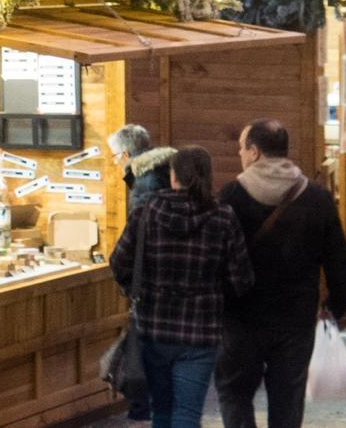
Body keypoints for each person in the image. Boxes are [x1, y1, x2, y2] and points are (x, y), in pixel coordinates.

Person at [215, 119, 346, 428]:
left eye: (241, 148)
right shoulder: (317, 198)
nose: (240, 154)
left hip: (241, 318)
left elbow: (215, 258)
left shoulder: (231, 196)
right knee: (287, 399)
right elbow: (338, 260)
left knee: (234, 392)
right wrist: (334, 306)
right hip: (296, 317)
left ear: (253, 152)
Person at [109, 146, 254, 428]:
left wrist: (134, 289)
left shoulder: (146, 211)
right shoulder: (223, 216)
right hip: (201, 332)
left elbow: (118, 262)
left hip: (154, 327)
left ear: (173, 176)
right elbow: (242, 279)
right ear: (207, 176)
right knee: (187, 413)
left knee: (161, 412)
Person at [107, 124, 176, 421]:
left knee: (149, 352)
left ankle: (145, 407)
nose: (114, 162)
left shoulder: (145, 183)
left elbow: (139, 237)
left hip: (153, 282)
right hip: (172, 276)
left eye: (114, 157)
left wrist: (129, 282)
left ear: (125, 153)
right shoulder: (164, 171)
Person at [108, 124, 177, 217]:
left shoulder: (143, 180)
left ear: (125, 155)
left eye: (116, 156)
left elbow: (143, 223)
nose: (116, 162)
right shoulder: (163, 167)